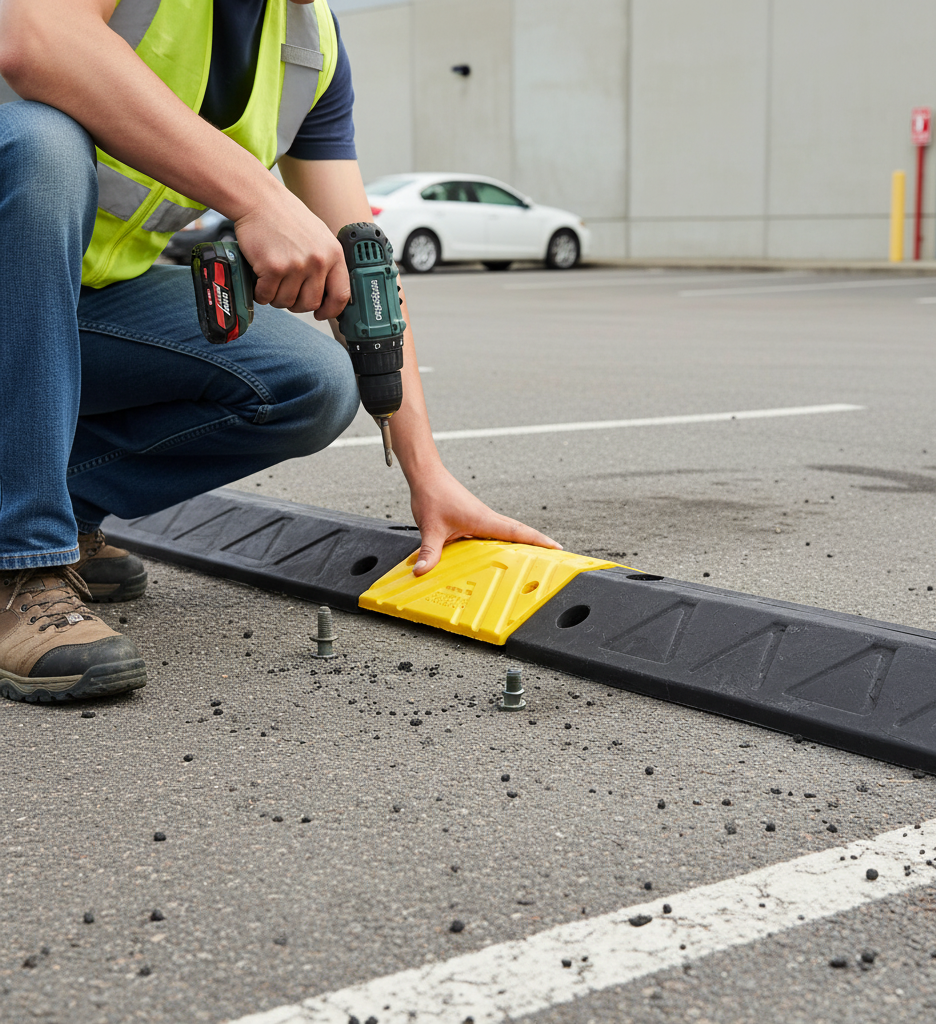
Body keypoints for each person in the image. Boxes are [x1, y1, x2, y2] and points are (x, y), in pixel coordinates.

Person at [0, 0, 557, 703]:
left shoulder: (310, 47)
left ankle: (53, 503)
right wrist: (259, 198)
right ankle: (18, 555)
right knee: (40, 142)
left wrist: (428, 475)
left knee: (311, 382)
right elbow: (33, 37)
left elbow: (365, 271)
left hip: (72, 305)